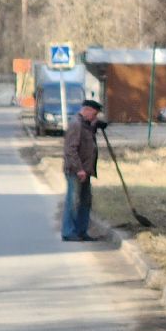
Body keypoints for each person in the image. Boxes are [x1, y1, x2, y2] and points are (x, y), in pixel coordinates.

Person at [61, 98, 104, 242]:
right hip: (76, 171)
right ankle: (69, 232)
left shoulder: (86, 125)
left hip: (86, 170)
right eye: (94, 114)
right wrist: (79, 169)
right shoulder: (76, 125)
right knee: (73, 201)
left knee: (85, 201)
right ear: (86, 111)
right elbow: (70, 150)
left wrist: (96, 125)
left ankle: (81, 230)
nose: (95, 117)